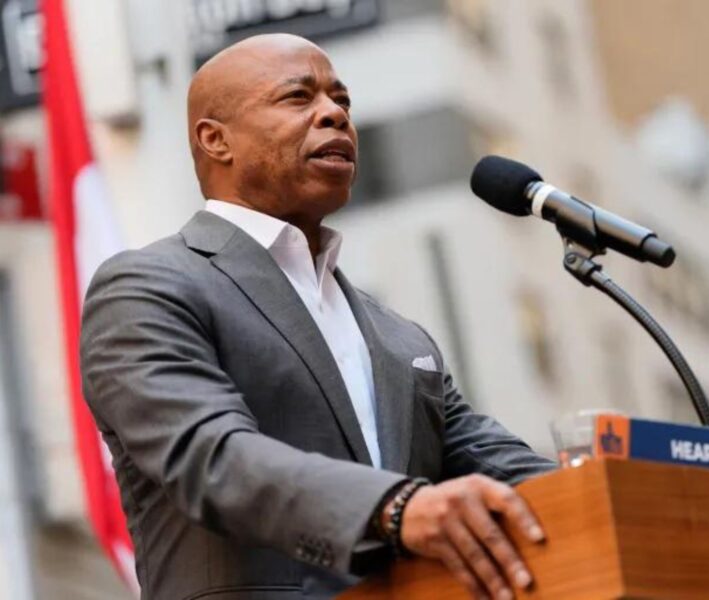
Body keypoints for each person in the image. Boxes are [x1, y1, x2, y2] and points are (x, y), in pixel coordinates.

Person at [80, 33, 554, 600]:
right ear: (216, 139)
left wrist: (644, 482)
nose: (334, 114)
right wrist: (394, 508)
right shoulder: (149, 286)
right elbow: (211, 457)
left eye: (342, 102)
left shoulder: (398, 336)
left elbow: (502, 467)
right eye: (298, 98)